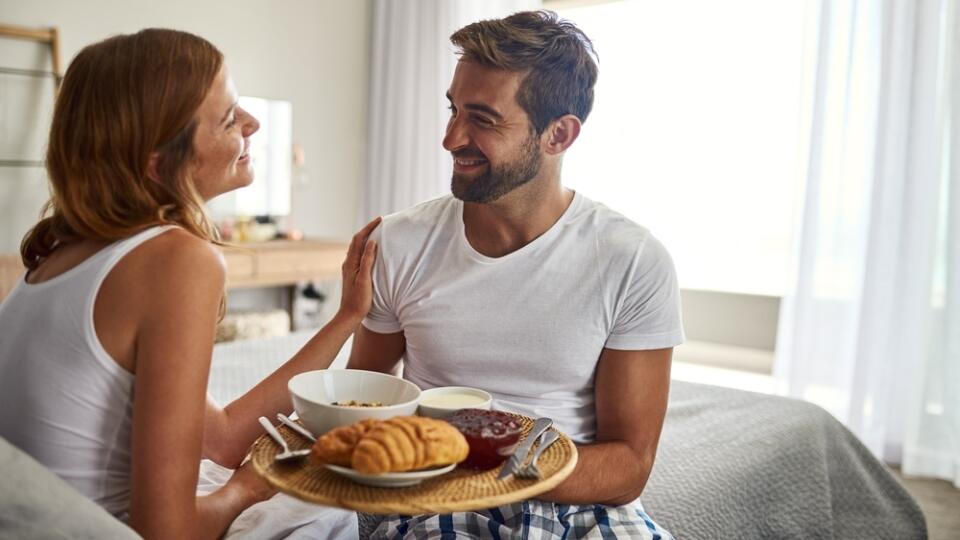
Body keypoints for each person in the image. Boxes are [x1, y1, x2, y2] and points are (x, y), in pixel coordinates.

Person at [0, 29, 377, 539]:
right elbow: (168, 532)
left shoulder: (56, 259)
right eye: (229, 119)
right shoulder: (176, 260)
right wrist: (246, 489)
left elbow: (220, 438)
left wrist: (346, 318)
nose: (253, 123)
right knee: (335, 509)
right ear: (159, 163)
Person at [349, 10, 683, 539]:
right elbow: (358, 402)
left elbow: (628, 468)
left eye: (482, 118)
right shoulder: (399, 242)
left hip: (579, 503)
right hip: (439, 497)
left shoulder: (632, 259)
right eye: (453, 109)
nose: (451, 138)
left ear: (559, 135)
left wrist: (499, 468)